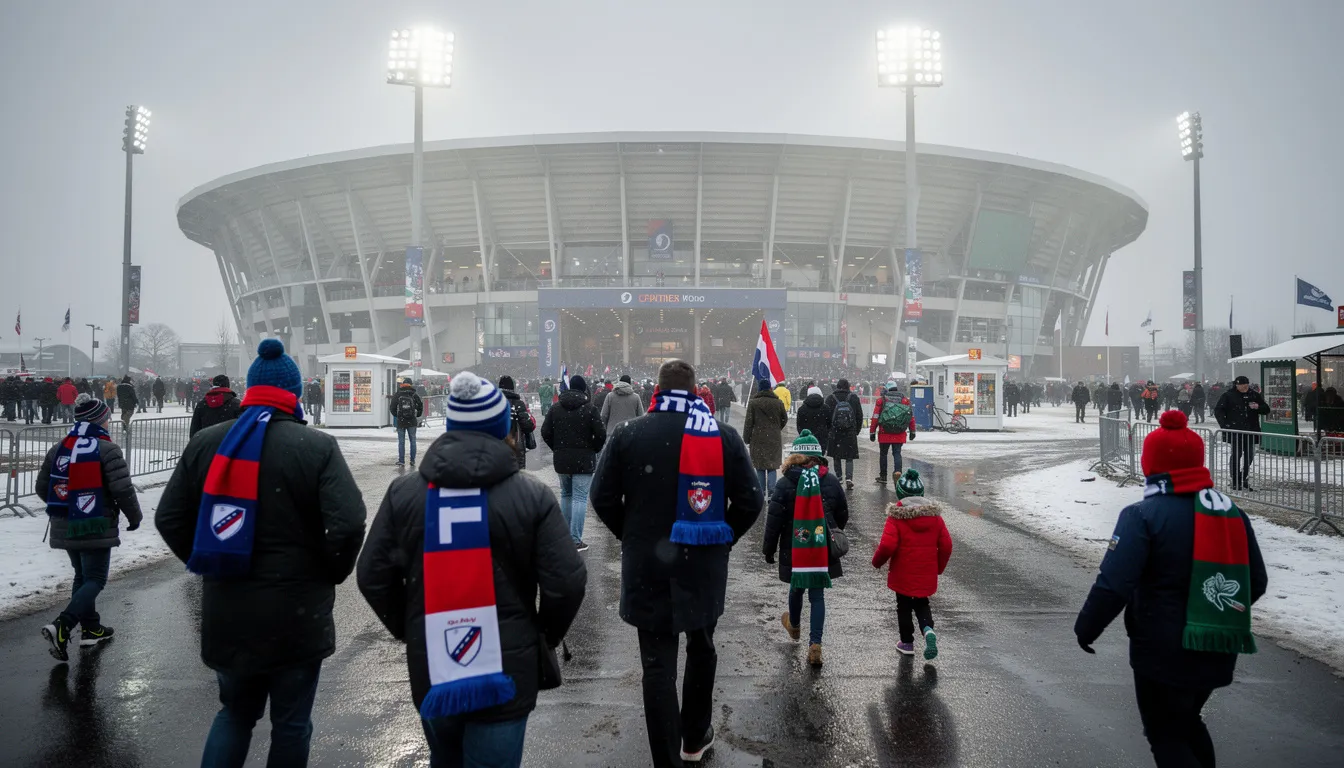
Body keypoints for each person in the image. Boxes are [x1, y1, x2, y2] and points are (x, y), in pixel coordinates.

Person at [357, 371, 587, 768]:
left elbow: (373, 576)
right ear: (503, 428)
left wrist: (411, 628)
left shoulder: (405, 493)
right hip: (507, 670)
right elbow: (566, 581)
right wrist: (541, 634)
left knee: (444, 759)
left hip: (434, 663)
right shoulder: (530, 495)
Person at [155, 338, 367, 768]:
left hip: (229, 607)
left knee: (234, 713)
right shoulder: (316, 447)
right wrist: (329, 571)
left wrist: (210, 559)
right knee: (290, 723)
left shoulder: (209, 443)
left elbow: (170, 518)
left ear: (249, 389)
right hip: (296, 612)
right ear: (296, 395)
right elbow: (347, 524)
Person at [590, 359, 762, 767]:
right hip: (702, 563)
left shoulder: (629, 435)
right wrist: (721, 538)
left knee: (656, 668)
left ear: (657, 392)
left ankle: (666, 759)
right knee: (702, 648)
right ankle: (694, 737)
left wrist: (631, 535)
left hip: (646, 565)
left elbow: (601, 497)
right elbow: (753, 501)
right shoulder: (721, 436)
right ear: (695, 390)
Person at [1075, 410, 1267, 768]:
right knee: (1187, 722)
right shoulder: (1231, 512)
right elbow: (1256, 581)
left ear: (1152, 465)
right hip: (1216, 642)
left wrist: (1087, 627)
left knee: (1165, 732)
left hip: (1160, 649)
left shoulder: (1143, 515)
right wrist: (1211, 612)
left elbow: (1114, 583)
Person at [35, 394, 143, 661]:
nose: (108, 422)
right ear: (100, 420)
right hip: (94, 524)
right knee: (95, 579)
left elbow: (42, 487)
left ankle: (91, 628)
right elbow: (122, 489)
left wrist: (66, 506)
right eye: (106, 417)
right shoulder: (107, 449)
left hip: (65, 523)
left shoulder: (61, 447)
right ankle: (63, 625)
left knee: (82, 577)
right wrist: (134, 516)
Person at [762, 430, 848, 667]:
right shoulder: (829, 480)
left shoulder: (785, 483)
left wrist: (769, 549)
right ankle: (815, 644)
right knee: (817, 594)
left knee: (797, 587)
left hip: (794, 547)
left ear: (794, 457)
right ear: (819, 457)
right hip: (821, 548)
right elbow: (843, 514)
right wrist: (826, 531)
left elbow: (774, 521)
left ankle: (795, 626)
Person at [872, 470, 951, 659]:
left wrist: (877, 562)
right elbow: (947, 545)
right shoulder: (935, 517)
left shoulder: (897, 516)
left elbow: (887, 545)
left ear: (900, 494)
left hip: (903, 571)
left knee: (904, 605)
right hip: (926, 571)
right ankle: (928, 629)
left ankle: (907, 642)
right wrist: (938, 567)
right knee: (922, 602)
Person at [540, 375, 606, 551]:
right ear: (584, 389)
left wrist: (557, 447)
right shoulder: (590, 409)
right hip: (584, 459)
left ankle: (564, 537)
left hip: (562, 459)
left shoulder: (556, 409)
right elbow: (601, 434)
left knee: (566, 495)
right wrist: (593, 448)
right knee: (579, 498)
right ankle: (575, 539)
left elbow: (545, 431)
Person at [1213, 375, 1271, 492]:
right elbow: (1218, 410)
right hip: (1235, 431)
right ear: (1237, 385)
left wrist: (1258, 406)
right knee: (1236, 454)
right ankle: (1235, 479)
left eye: (1246, 386)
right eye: (1242, 386)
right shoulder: (1228, 395)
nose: (1245, 388)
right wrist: (1225, 426)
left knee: (1249, 455)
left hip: (1251, 430)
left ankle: (1243, 477)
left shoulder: (1253, 394)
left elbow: (1266, 409)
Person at [743, 380, 789, 494]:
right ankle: (772, 491)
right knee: (772, 465)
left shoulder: (753, 403)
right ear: (770, 389)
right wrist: (776, 428)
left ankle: (761, 491)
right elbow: (785, 418)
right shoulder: (778, 403)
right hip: (774, 438)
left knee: (760, 466)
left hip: (757, 438)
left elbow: (749, 422)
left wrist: (746, 438)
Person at [870, 384, 916, 484]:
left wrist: (872, 431)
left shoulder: (881, 400)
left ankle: (883, 476)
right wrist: (912, 431)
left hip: (884, 432)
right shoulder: (905, 401)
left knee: (883, 454)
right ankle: (898, 472)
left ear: (888, 389)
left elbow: (875, 417)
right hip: (899, 432)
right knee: (897, 453)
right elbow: (910, 417)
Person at [823, 379, 864, 489]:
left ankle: (839, 477)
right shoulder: (854, 398)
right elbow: (859, 415)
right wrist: (856, 430)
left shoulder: (830, 398)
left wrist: (829, 430)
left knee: (837, 456)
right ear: (848, 386)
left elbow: (826, 416)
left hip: (835, 432)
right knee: (849, 456)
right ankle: (849, 478)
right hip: (850, 431)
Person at [498, 375, 537, 470]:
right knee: (517, 479)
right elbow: (528, 426)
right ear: (513, 388)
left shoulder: (493, 403)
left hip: (496, 448)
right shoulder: (518, 404)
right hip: (516, 448)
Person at [793, 386, 831, 460]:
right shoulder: (826, 408)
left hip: (806, 440)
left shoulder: (802, 409)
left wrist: (803, 435)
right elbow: (829, 424)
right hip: (822, 439)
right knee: (820, 460)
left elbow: (799, 426)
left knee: (807, 461)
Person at [392, 378, 425, 467]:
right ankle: (412, 460)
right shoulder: (414, 394)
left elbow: (392, 406)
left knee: (401, 442)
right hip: (412, 420)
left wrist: (397, 415)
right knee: (413, 441)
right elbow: (420, 404)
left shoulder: (398, 394)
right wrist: (417, 414)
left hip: (401, 421)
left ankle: (401, 461)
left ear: (403, 384)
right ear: (411, 384)